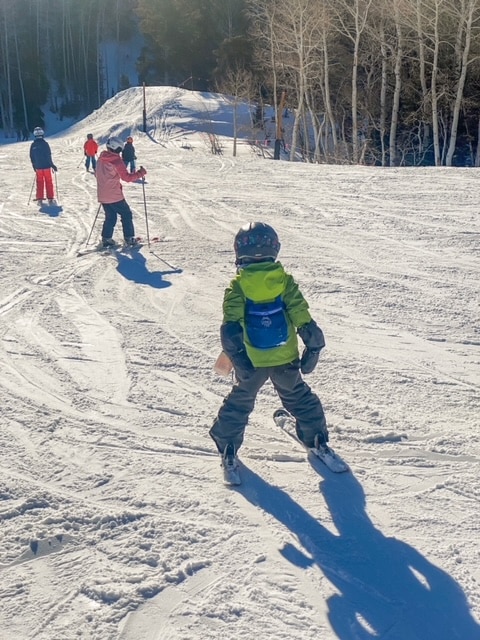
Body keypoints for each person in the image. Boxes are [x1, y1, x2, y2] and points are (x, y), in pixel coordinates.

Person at [209, 222, 329, 484]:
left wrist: (239, 359)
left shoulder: (238, 287)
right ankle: (316, 438)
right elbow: (301, 314)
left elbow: (230, 327)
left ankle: (227, 444)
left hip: (252, 361)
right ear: (274, 250)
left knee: (240, 402)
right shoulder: (284, 282)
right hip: (284, 356)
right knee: (298, 396)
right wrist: (313, 343)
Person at [96, 137, 146, 247]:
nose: (120, 153)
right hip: (114, 195)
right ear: (116, 148)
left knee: (110, 216)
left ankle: (106, 238)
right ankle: (129, 238)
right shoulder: (116, 160)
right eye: (119, 150)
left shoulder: (100, 159)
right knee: (126, 214)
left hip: (103, 194)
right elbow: (127, 178)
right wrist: (140, 173)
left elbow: (98, 174)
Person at [29, 127, 57, 205]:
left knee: (40, 182)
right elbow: (48, 155)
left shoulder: (33, 145)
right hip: (46, 167)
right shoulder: (45, 144)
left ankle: (40, 199)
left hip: (38, 167)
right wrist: (52, 165)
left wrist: (34, 166)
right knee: (49, 182)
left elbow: (32, 156)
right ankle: (50, 199)